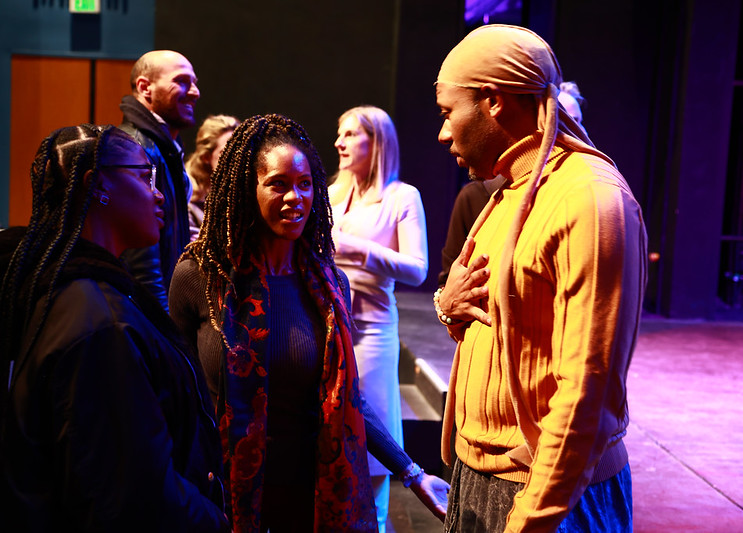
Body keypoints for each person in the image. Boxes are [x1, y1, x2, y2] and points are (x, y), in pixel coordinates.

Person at [169, 114, 448, 532]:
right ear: (248, 189)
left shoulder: (330, 284)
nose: (295, 197)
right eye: (278, 183)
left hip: (308, 490)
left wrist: (412, 472)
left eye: (304, 184)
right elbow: (177, 392)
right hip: (223, 491)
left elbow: (347, 398)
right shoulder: (200, 276)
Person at [0, 125, 228, 531]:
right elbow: (133, 494)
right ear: (96, 184)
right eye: (143, 175)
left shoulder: (89, 296)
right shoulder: (98, 321)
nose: (158, 194)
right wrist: (217, 522)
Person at [434, 25, 647, 532]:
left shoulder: (589, 201)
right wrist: (448, 305)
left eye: (447, 112)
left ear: (493, 101)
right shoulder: (508, 191)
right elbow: (485, 316)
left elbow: (585, 392)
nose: (443, 133)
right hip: (479, 476)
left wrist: (533, 516)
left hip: (546, 495)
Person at [328, 105, 428, 531]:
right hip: (326, 324)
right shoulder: (331, 192)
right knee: (328, 433)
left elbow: (417, 269)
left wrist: (355, 249)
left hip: (371, 330)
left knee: (372, 441)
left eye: (351, 134)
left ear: (378, 142)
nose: (339, 143)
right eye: (339, 133)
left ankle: (377, 524)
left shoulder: (401, 196)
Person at [437, 81, 585, 288]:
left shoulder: (581, 193)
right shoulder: (477, 195)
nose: (568, 128)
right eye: (557, 117)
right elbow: (448, 281)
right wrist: (447, 306)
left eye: (576, 120)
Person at [119, 50, 200, 310]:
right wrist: (166, 327)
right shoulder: (135, 147)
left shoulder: (164, 146)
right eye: (182, 81)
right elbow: (142, 261)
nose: (195, 92)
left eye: (195, 82)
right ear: (145, 87)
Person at [185, 114, 240, 239]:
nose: (236, 157)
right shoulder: (189, 200)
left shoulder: (244, 192)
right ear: (206, 157)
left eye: (238, 150)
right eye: (225, 152)